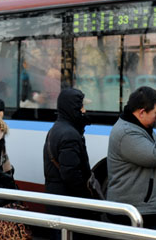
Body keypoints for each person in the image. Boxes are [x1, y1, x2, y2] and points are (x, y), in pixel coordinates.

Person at [107, 86, 156, 231]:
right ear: (141, 112)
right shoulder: (126, 133)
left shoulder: (140, 127)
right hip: (141, 214)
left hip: (150, 210)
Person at [43, 88, 94, 240]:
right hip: (67, 202)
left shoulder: (57, 129)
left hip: (56, 198)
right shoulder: (69, 135)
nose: (84, 110)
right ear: (72, 108)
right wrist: (86, 196)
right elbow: (71, 174)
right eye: (81, 107)